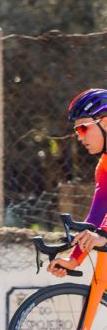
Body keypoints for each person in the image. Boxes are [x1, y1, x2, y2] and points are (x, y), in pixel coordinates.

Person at [48, 88, 107, 277]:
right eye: (76, 131)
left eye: (83, 128)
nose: (80, 137)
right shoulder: (104, 166)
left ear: (105, 123)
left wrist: (103, 235)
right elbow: (97, 216)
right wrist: (73, 260)